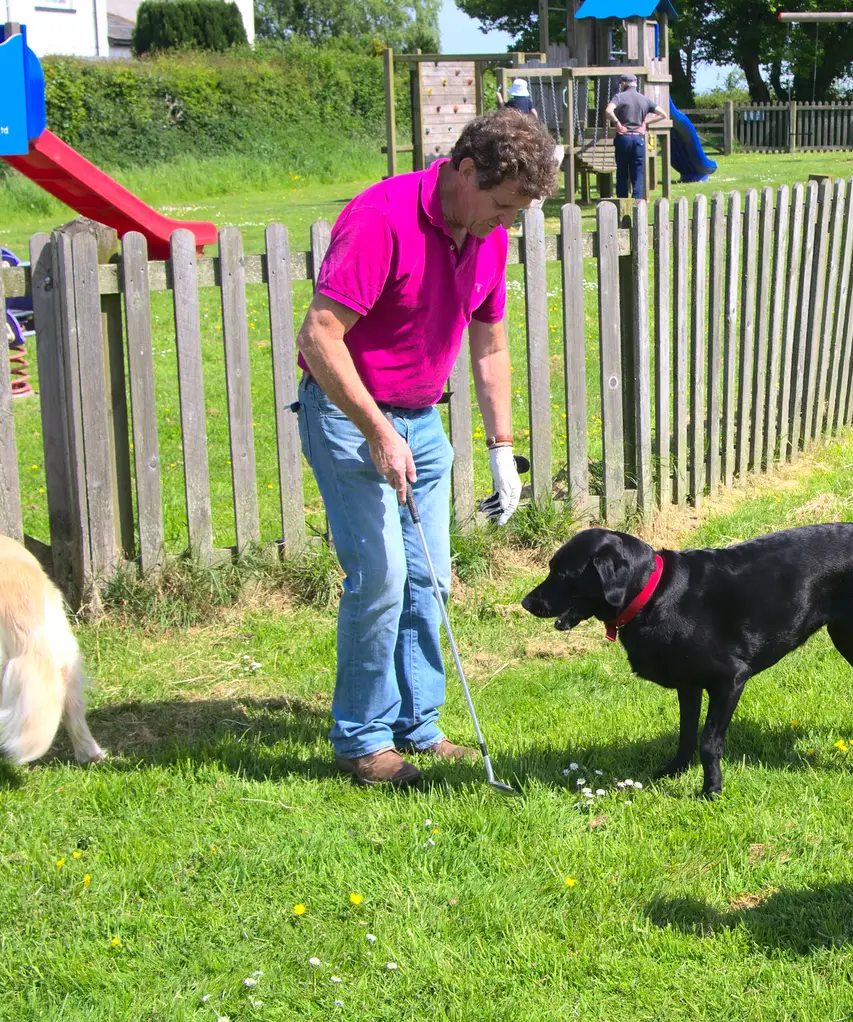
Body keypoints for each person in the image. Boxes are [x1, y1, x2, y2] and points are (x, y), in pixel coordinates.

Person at [293, 108, 558, 788]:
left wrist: (503, 445)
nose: (501, 223)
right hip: (352, 419)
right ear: (466, 169)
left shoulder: (487, 236)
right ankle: (361, 740)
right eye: (499, 206)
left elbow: (490, 343)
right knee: (379, 580)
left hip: (423, 423)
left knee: (430, 581)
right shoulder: (382, 218)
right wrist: (376, 431)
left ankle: (418, 726)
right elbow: (320, 336)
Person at [604, 73, 667, 200]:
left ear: (623, 83)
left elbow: (608, 111)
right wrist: (645, 124)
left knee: (622, 173)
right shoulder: (644, 99)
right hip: (638, 138)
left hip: (624, 137)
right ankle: (637, 206)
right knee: (638, 174)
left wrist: (617, 124)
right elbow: (663, 114)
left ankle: (622, 205)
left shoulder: (619, 97)